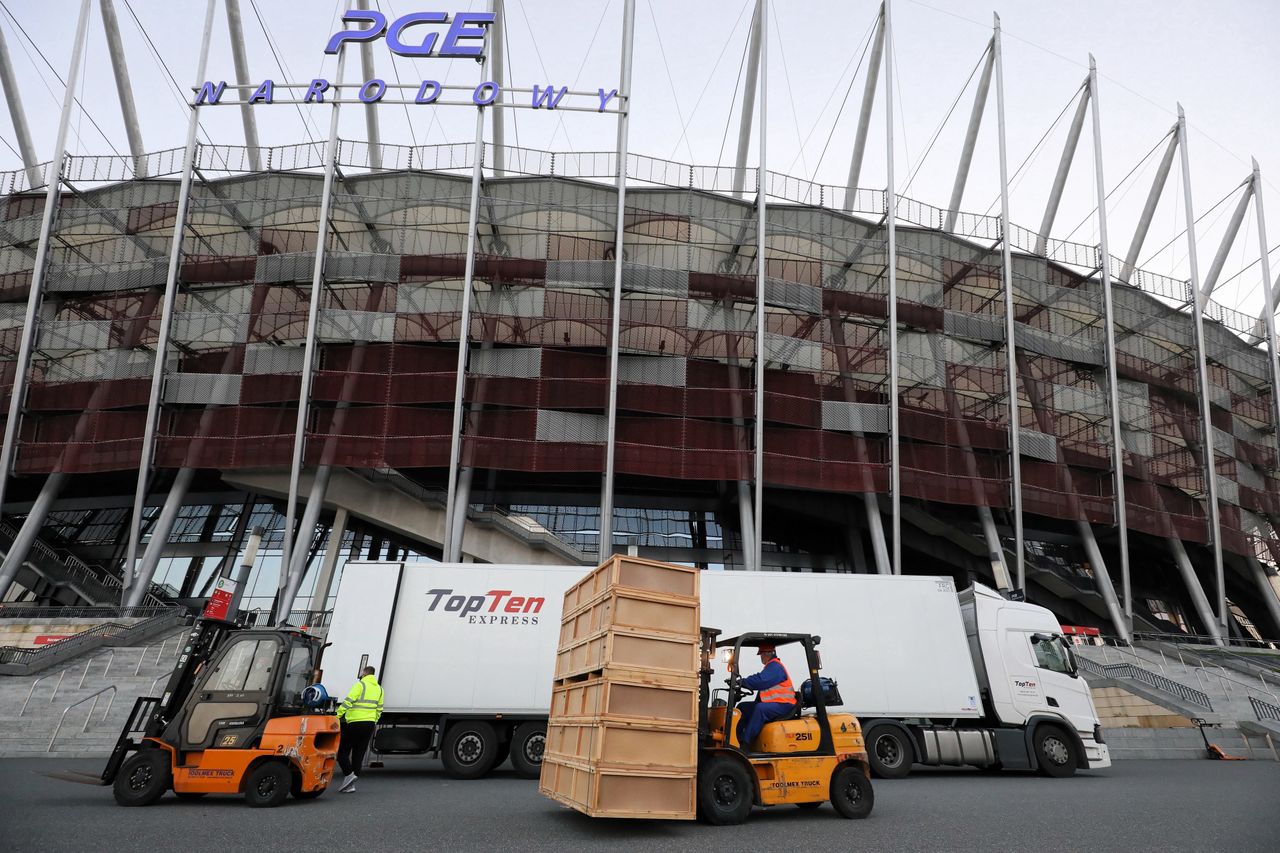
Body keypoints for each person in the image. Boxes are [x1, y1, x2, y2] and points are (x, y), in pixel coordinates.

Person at [735, 643, 796, 749]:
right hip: (776, 703)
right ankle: (736, 738)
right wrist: (741, 682)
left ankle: (746, 743)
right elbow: (761, 681)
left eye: (761, 654)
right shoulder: (770, 667)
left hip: (785, 705)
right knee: (742, 707)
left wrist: (743, 682)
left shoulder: (776, 666)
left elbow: (761, 680)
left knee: (760, 709)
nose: (761, 657)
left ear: (768, 653)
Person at [336, 665, 384, 793]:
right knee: (359, 753)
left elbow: (348, 701)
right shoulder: (379, 689)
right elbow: (379, 708)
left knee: (342, 752)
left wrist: (337, 715)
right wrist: (374, 720)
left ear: (364, 673)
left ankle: (349, 775)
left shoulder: (360, 685)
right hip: (369, 724)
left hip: (355, 723)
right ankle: (351, 785)